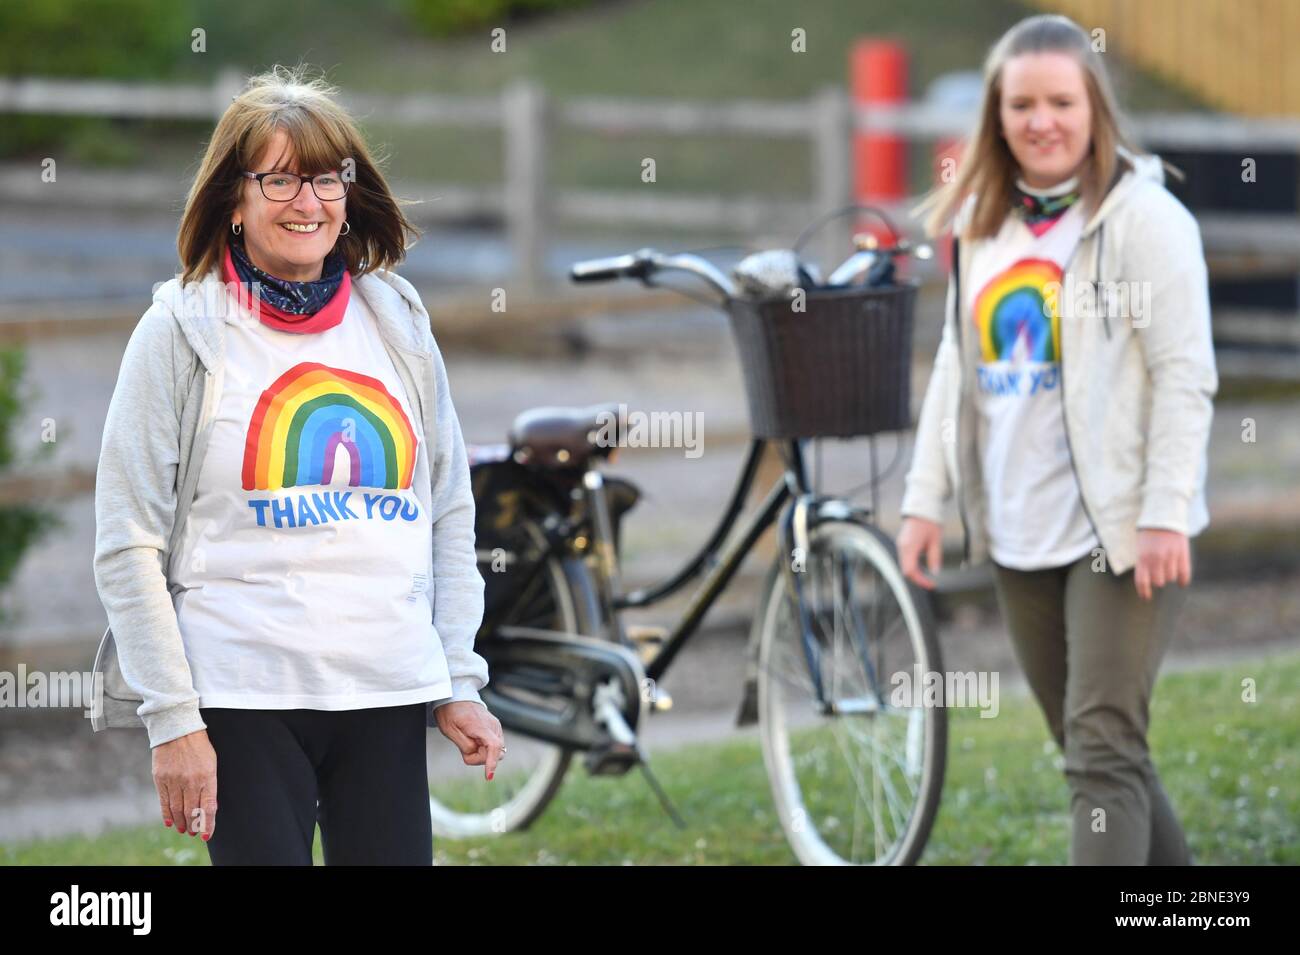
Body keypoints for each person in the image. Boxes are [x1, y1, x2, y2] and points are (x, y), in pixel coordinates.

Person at [92, 65, 505, 865]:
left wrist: (459, 676)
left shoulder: (397, 318)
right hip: (241, 696)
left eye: (325, 178)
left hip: (383, 687)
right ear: (234, 202)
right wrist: (174, 718)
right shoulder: (180, 331)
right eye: (279, 178)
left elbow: (447, 507)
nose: (307, 201)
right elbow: (126, 538)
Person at [896, 14, 1217, 864]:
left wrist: (1164, 511)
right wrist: (924, 502)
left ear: (1095, 108)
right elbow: (954, 369)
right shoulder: (980, 224)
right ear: (997, 116)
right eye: (1023, 103)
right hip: (1017, 529)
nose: (1043, 120)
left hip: (1121, 529)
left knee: (1101, 749)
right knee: (1101, 751)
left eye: (1062, 101)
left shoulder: (1146, 221)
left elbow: (1188, 377)